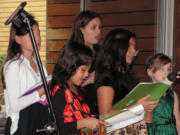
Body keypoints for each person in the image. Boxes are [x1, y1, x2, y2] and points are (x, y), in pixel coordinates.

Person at [95, 28, 159, 134]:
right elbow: (105, 114)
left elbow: (135, 107)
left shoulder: (128, 76)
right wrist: (138, 107)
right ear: (116, 47)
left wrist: (146, 113)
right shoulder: (107, 78)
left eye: (134, 46)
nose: (133, 51)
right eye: (129, 46)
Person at [1, 11, 49, 135]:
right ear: (18, 39)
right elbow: (15, 105)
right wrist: (42, 90)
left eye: (38, 33)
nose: (38, 38)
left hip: (41, 121)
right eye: (32, 34)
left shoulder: (40, 65)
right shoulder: (13, 66)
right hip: (23, 126)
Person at [49, 42, 107, 135]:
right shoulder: (60, 92)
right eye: (83, 70)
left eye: (88, 71)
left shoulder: (77, 90)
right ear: (70, 65)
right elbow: (58, 129)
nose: (86, 75)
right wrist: (83, 123)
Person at [68, 10, 102, 114]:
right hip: (83, 106)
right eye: (93, 28)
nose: (98, 32)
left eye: (100, 27)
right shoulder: (73, 53)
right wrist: (90, 78)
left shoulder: (101, 52)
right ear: (81, 29)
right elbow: (66, 83)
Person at [146, 53, 180, 135]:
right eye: (162, 69)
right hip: (153, 131)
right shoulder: (145, 94)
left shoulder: (173, 95)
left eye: (168, 69)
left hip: (170, 131)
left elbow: (178, 121)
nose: (166, 72)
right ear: (150, 72)